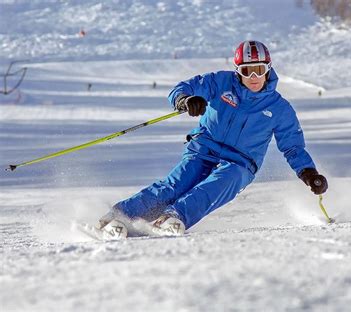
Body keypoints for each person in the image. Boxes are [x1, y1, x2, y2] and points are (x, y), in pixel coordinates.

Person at [99, 40, 328, 236]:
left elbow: (293, 147)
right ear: (238, 71)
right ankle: (119, 217)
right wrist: (186, 99)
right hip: (203, 149)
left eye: (260, 69)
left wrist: (308, 173)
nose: (255, 77)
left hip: (241, 162)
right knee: (176, 184)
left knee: (219, 184)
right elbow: (182, 88)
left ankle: (172, 217)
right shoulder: (220, 82)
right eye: (248, 71)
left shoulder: (279, 108)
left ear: (269, 69)